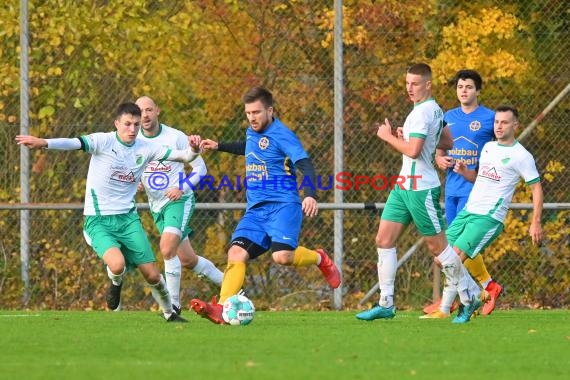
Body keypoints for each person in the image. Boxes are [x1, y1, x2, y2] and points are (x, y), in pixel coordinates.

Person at [15, 102, 203, 322]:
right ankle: (116, 283)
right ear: (117, 124)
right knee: (117, 264)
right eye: (127, 124)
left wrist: (194, 148)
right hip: (99, 220)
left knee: (152, 275)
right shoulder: (104, 141)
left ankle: (170, 314)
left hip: (128, 220)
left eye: (135, 124)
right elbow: (74, 143)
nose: (132, 129)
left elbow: (185, 157)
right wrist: (44, 143)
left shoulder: (146, 148)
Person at [188, 86, 341, 324]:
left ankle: (320, 258)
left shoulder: (283, 134)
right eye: (248, 113)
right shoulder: (252, 132)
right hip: (256, 210)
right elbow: (248, 146)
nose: (252, 118)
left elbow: (305, 164)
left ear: (270, 110)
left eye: (257, 112)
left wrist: (310, 194)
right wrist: (220, 146)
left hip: (284, 206)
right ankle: (221, 307)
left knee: (282, 258)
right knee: (236, 253)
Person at [356, 63, 484, 323]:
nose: (409, 88)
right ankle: (386, 303)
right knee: (383, 240)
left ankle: (470, 296)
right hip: (404, 185)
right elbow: (446, 141)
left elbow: (414, 151)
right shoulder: (432, 109)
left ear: (428, 84)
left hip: (421, 188)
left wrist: (388, 136)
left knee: (437, 247)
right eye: (407, 83)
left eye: (415, 84)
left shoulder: (425, 112)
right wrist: (411, 137)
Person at [434, 105, 543, 323]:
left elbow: (536, 188)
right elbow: (480, 179)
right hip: (469, 211)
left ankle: (458, 304)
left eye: (504, 122)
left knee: (454, 258)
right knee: (441, 258)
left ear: (515, 125)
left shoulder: (521, 156)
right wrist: (466, 173)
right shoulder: (488, 148)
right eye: (496, 122)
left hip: (488, 217)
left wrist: (535, 223)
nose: (499, 126)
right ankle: (479, 292)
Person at [134, 96, 224, 315]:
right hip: (157, 206)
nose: (144, 115)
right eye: (140, 111)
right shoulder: (133, 139)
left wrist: (181, 188)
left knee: (166, 249)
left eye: (148, 110)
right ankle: (232, 284)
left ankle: (172, 306)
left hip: (179, 200)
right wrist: (135, 182)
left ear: (157, 111)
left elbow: (200, 169)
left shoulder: (175, 137)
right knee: (187, 259)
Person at [423, 69, 502, 318]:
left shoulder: (490, 118)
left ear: (478, 90)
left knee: (458, 248)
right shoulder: (448, 116)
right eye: (460, 87)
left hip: (477, 191)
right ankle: (485, 288)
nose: (464, 91)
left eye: (468, 87)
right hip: (453, 189)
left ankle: (449, 302)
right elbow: (438, 149)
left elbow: (500, 152)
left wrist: (477, 171)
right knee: (452, 246)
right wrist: (439, 160)